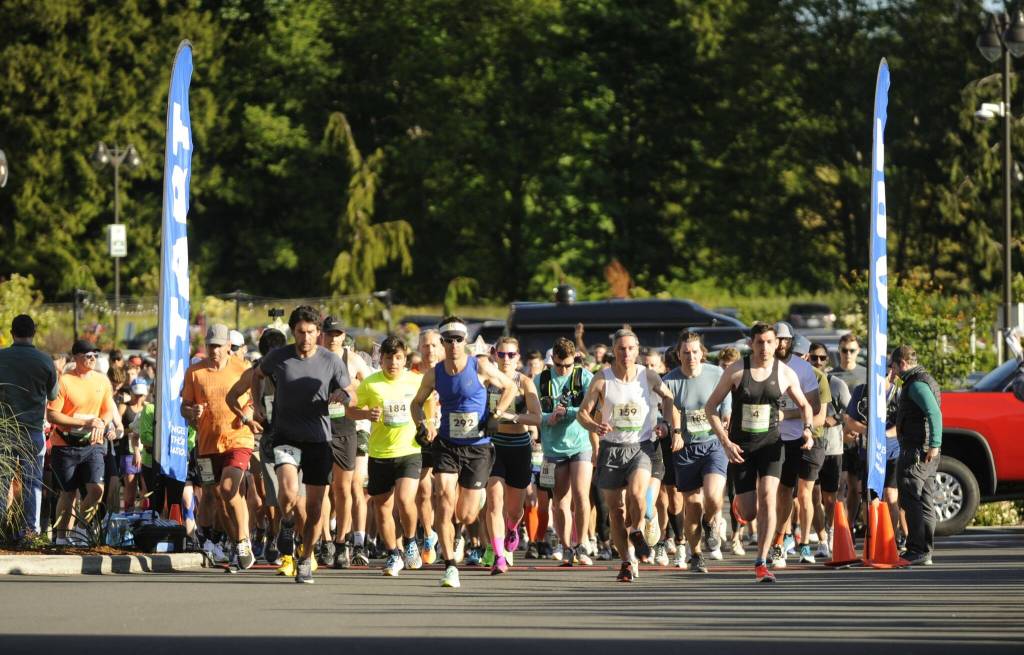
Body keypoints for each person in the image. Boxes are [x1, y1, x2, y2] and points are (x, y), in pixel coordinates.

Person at [410, 316, 517, 589]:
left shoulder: (479, 365)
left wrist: (496, 414)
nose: (454, 344)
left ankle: (460, 531)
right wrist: (422, 425)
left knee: (467, 514)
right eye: (449, 340)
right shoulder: (434, 373)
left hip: (477, 447)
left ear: (465, 341)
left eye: (459, 339)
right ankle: (450, 567)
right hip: (446, 444)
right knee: (443, 497)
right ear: (443, 343)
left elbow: (510, 387)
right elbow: (416, 403)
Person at [704, 322, 815, 583]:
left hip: (771, 445)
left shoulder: (785, 373)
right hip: (741, 447)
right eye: (759, 342)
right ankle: (739, 505)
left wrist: (808, 429)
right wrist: (725, 441)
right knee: (750, 511)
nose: (765, 347)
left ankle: (762, 562)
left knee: (769, 497)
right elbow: (710, 407)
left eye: (769, 342)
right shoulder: (737, 370)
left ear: (777, 344)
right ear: (751, 344)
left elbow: (805, 405)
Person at [251, 306, 354, 583]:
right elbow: (257, 376)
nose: (306, 337)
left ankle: (306, 557)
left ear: (318, 333)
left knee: (316, 509)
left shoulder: (331, 360)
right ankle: (286, 522)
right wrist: (257, 406)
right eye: (300, 332)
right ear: (293, 332)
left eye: (311, 332)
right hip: (286, 436)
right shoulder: (278, 357)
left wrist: (341, 396)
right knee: (287, 490)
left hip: (319, 440)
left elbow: (350, 392)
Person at [575, 328, 678, 583]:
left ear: (637, 349)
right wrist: (595, 426)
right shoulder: (602, 378)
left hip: (642, 446)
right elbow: (582, 413)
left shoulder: (649, 376)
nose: (626, 353)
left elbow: (668, 398)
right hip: (612, 448)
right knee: (616, 511)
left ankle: (637, 530)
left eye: (631, 348)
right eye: (621, 348)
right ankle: (626, 562)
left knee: (636, 494)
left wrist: (666, 424)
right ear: (614, 351)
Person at [182, 324, 257, 569]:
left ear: (228, 346)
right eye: (210, 345)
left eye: (218, 346)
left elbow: (255, 400)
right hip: (207, 443)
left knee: (228, 488)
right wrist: (191, 411)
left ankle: (244, 540)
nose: (214, 350)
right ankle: (236, 543)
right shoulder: (195, 372)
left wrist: (247, 412)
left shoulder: (242, 368)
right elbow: (185, 407)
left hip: (238, 438)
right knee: (216, 495)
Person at [348, 336, 423, 576]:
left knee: (404, 500)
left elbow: (429, 403)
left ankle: (410, 542)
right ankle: (393, 554)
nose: (393, 363)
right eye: (389, 358)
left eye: (398, 358)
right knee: (382, 507)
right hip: (379, 452)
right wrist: (365, 413)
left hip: (409, 450)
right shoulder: (370, 384)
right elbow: (350, 411)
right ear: (381, 359)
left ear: (405, 359)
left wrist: (428, 423)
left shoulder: (416, 380)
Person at [663, 330, 731, 573]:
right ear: (678, 355)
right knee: (691, 503)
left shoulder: (716, 373)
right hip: (686, 447)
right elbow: (669, 410)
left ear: (702, 353)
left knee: (713, 496)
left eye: (694, 352)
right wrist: (677, 431)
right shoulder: (670, 380)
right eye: (685, 353)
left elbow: (726, 400)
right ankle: (696, 554)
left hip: (713, 443)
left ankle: (710, 522)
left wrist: (725, 417)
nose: (690, 356)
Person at [46, 339, 117, 544]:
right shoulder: (65, 382)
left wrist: (102, 423)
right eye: (88, 355)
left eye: (96, 355)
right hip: (65, 445)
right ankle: (61, 537)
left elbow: (108, 409)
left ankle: (81, 530)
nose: (93, 358)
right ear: (76, 357)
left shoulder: (102, 381)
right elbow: (53, 416)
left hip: (92, 446)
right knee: (68, 494)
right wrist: (83, 423)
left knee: (97, 490)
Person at [483, 337, 541, 574]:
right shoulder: (486, 380)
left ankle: (512, 528)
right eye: (501, 354)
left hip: (518, 446)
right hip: (493, 445)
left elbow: (537, 418)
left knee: (515, 509)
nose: (506, 359)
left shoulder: (525, 382)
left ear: (518, 357)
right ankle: (498, 556)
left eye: (511, 355)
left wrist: (510, 417)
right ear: (494, 354)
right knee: (495, 501)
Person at [536, 337, 595, 567]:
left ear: (575, 361)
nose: (563, 370)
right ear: (552, 360)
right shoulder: (540, 380)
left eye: (568, 365)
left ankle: (581, 544)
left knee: (581, 494)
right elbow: (533, 412)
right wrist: (547, 418)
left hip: (580, 444)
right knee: (560, 500)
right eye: (559, 365)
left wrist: (568, 412)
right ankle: (565, 544)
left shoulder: (584, 377)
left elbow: (590, 407)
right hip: (553, 447)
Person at [769, 326, 823, 568]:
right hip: (772, 440)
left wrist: (785, 414)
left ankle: (802, 544)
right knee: (778, 494)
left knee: (803, 493)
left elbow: (815, 406)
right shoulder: (763, 367)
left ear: (791, 342)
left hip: (801, 438)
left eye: (785, 340)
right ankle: (779, 542)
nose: (780, 344)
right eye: (776, 339)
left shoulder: (802, 368)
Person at [0, 314, 58, 541]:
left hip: (4, 428)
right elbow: (53, 394)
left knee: (2, 479)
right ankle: (30, 530)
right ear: (34, 332)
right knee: (33, 481)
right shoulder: (44, 361)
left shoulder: (2, 357)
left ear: (12, 332)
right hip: (32, 429)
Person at [321, 316, 373, 568]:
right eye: (329, 333)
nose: (333, 338)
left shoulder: (352, 360)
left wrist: (353, 393)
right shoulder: (313, 358)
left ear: (344, 336)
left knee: (343, 489)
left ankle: (342, 542)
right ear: (322, 334)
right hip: (317, 431)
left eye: (337, 334)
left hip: (345, 429)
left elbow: (373, 386)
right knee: (319, 489)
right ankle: (325, 541)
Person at [891, 345, 942, 566]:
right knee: (925, 499)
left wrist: (935, 444)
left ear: (902, 363)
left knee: (911, 498)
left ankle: (917, 549)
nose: (892, 371)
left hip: (916, 451)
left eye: (893, 366)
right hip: (926, 451)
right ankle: (926, 550)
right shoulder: (924, 379)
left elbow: (933, 412)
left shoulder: (916, 385)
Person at [807, 342, 850, 559]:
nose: (818, 362)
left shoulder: (837, 384)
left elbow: (851, 413)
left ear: (828, 360)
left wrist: (836, 418)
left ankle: (831, 532)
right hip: (811, 446)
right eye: (814, 358)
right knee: (812, 495)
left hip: (833, 446)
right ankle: (822, 539)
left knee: (830, 498)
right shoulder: (802, 382)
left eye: (822, 358)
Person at [412, 329, 443, 564]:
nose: (429, 349)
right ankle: (429, 534)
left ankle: (452, 533)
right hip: (421, 438)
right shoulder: (411, 373)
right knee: (423, 490)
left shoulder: (449, 371)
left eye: (433, 345)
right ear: (419, 348)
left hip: (448, 436)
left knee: (445, 491)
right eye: (425, 345)